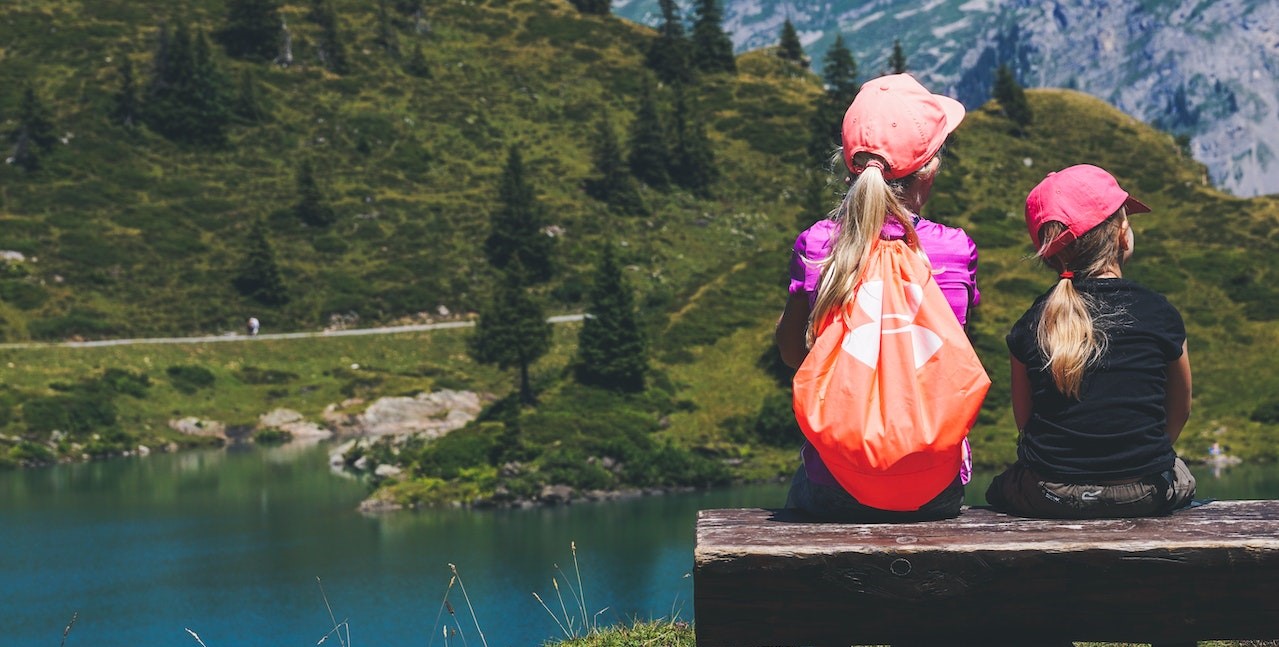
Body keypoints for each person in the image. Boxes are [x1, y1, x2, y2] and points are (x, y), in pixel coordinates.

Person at [775, 73, 981, 521]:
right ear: (930, 168)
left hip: (835, 486)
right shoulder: (954, 250)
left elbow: (792, 354)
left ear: (851, 164)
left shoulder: (817, 245)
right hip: (935, 490)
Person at [986, 164, 1196, 518]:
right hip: (1144, 491)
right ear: (1122, 233)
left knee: (1000, 487)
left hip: (1051, 495)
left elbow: (1026, 422)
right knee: (1182, 475)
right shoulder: (1159, 312)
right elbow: (1180, 409)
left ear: (1049, 253)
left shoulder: (1032, 322)